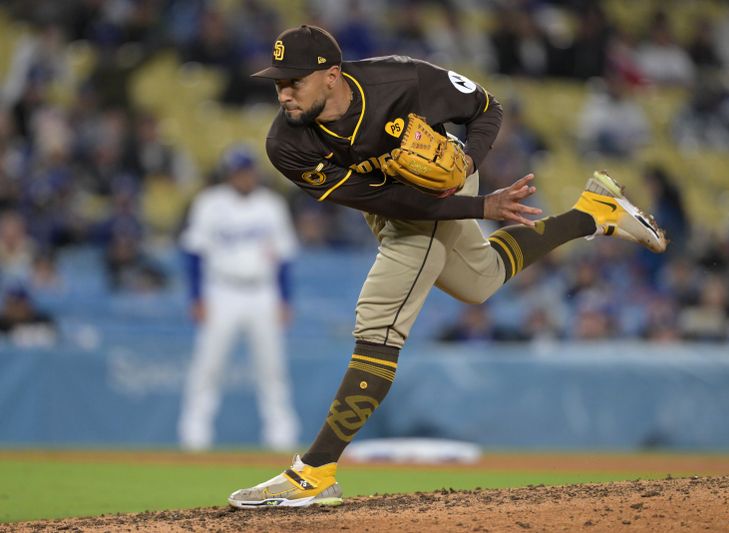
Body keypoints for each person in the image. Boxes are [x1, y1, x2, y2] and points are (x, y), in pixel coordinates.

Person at [228, 25, 667, 508]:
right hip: (398, 203)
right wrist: (482, 209)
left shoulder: (400, 80)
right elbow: (391, 201)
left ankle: (314, 471)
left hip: (443, 182)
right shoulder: (287, 145)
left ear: (331, 76)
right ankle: (593, 212)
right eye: (277, 82)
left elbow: (486, 108)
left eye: (294, 81)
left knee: (379, 318)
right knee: (479, 282)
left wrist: (466, 167)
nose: (283, 92)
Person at [177, 145, 300, 451]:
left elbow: (284, 257)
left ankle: (281, 436)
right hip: (222, 291)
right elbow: (194, 252)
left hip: (263, 291)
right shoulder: (210, 203)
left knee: (272, 368)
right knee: (208, 366)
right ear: (229, 174)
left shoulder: (271, 205)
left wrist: (285, 299)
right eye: (238, 171)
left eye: (248, 170)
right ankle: (195, 435)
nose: (244, 176)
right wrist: (196, 296)